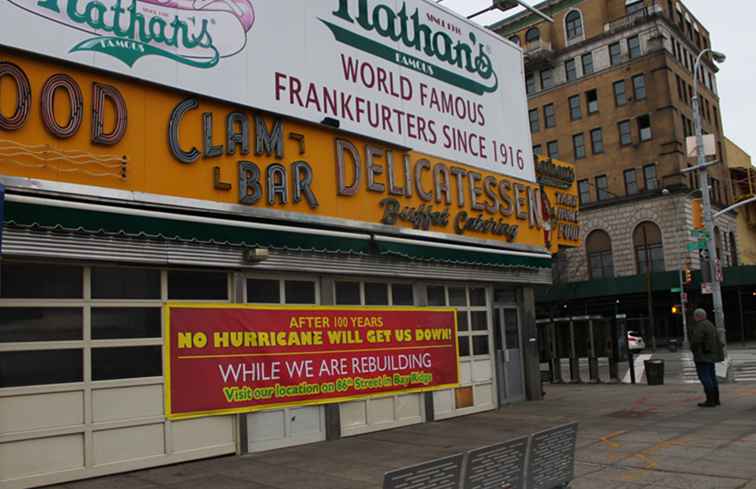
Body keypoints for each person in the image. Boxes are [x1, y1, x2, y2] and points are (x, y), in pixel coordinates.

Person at [689, 308, 725, 407]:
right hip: (711, 356)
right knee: (712, 377)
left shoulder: (700, 326)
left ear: (697, 316)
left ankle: (710, 400)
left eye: (694, 316)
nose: (694, 318)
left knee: (705, 377)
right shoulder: (710, 324)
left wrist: (693, 349)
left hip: (703, 356)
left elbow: (696, 341)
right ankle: (716, 399)